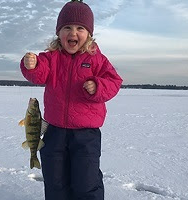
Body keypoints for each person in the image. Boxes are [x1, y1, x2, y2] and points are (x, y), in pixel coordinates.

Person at [20, 0, 123, 199]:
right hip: (53, 132)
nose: (73, 33)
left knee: (86, 181)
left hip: (86, 135)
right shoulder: (51, 58)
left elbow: (114, 82)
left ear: (89, 34)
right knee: (55, 181)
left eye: (80, 28)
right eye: (67, 27)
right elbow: (39, 74)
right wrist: (31, 65)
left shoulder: (97, 59)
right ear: (59, 33)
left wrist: (97, 86)